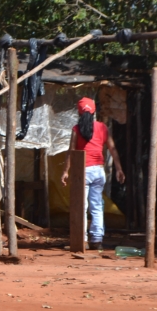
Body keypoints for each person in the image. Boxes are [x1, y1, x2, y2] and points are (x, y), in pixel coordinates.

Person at [61, 97, 125, 251]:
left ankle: (81, 240)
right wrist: (119, 169)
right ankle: (96, 240)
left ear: (79, 111)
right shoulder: (102, 127)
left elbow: (71, 151)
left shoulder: (76, 129)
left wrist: (65, 171)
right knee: (96, 205)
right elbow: (112, 149)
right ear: (94, 110)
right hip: (98, 171)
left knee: (81, 206)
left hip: (82, 171)